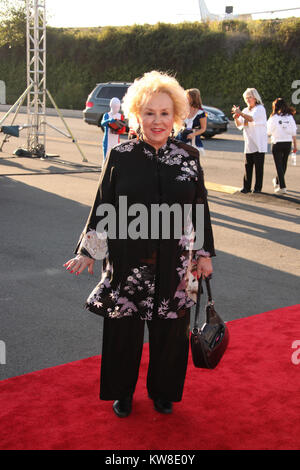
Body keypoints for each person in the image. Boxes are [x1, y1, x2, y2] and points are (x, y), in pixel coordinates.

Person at [63, 71, 215, 418]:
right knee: (123, 331)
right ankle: (122, 393)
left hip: (177, 263)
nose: (157, 121)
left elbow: (199, 207)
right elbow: (104, 205)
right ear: (137, 115)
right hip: (128, 261)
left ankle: (164, 393)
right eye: (149, 113)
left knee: (171, 333)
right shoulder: (122, 155)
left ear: (176, 115)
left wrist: (203, 254)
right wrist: (90, 250)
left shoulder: (189, 156)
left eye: (164, 113)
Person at [232, 88, 268, 193]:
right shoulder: (245, 110)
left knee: (258, 166)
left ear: (255, 98)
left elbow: (251, 119)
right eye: (246, 98)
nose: (248, 99)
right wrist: (236, 118)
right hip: (249, 142)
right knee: (248, 165)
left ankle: (257, 188)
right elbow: (240, 125)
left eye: (250, 97)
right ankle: (246, 187)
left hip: (259, 142)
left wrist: (241, 114)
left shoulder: (260, 108)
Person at [267, 98, 297, 194]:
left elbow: (268, 131)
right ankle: (277, 181)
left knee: (279, 165)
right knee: (283, 165)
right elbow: (294, 132)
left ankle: (282, 187)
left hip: (277, 143)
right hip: (287, 143)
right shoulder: (290, 117)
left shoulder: (273, 117)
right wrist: (295, 145)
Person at [176, 88, 207, 155]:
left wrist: (193, 134)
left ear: (193, 98)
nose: (185, 99)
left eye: (187, 97)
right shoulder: (183, 109)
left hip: (193, 139)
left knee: (192, 160)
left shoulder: (201, 113)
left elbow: (203, 128)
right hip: (181, 137)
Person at [100, 97, 126, 161]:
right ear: (111, 106)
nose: (116, 109)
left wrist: (118, 130)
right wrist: (110, 120)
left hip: (116, 141)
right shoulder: (107, 115)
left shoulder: (120, 116)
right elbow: (102, 123)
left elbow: (123, 128)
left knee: (116, 159)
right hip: (107, 141)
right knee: (106, 159)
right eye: (115, 107)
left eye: (118, 107)